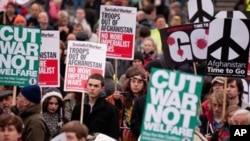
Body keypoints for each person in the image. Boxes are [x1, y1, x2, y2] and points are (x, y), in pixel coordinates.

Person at [71, 73, 119, 140]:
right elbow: (72, 130)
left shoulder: (110, 110)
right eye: (90, 85)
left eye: (96, 86)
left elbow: (113, 135)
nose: (92, 88)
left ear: (102, 88)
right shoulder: (79, 107)